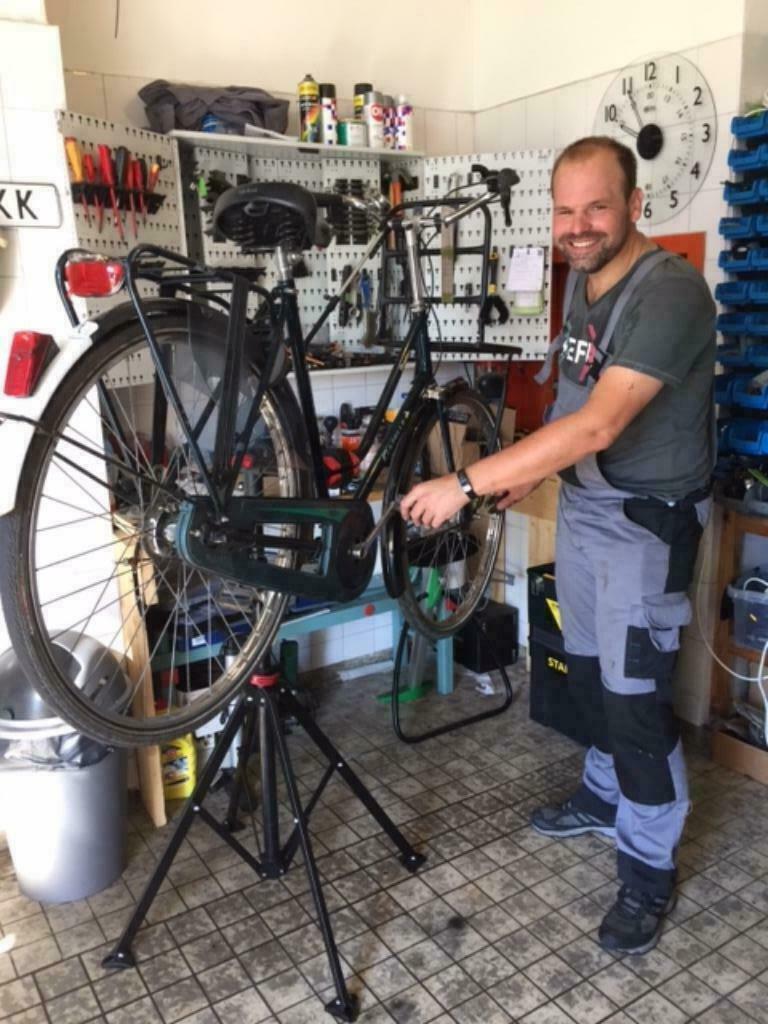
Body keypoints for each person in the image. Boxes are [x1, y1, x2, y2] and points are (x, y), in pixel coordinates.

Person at [400, 135, 716, 955]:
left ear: (635, 205)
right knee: (586, 669)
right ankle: (604, 797)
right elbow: (572, 408)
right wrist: (527, 474)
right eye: (566, 211)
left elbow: (602, 423)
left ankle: (648, 872)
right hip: (584, 506)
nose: (578, 227)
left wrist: (465, 482)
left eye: (597, 208)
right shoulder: (583, 280)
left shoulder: (671, 293)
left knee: (635, 700)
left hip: (645, 526)